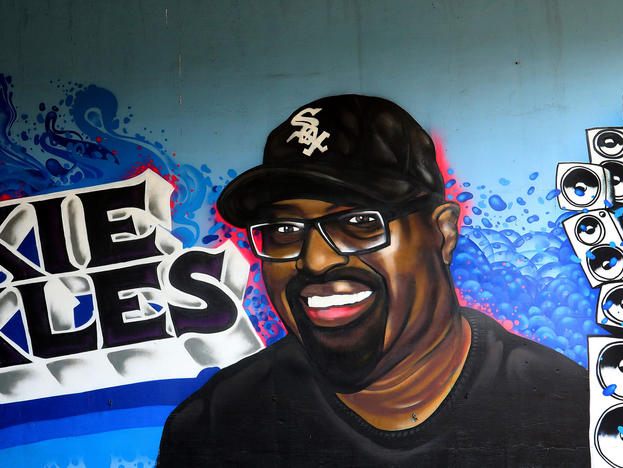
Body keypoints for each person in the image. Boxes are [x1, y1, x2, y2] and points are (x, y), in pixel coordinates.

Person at [157, 95, 589, 467]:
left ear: (443, 233)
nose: (317, 260)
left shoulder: (568, 411)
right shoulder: (217, 428)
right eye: (284, 231)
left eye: (360, 222)